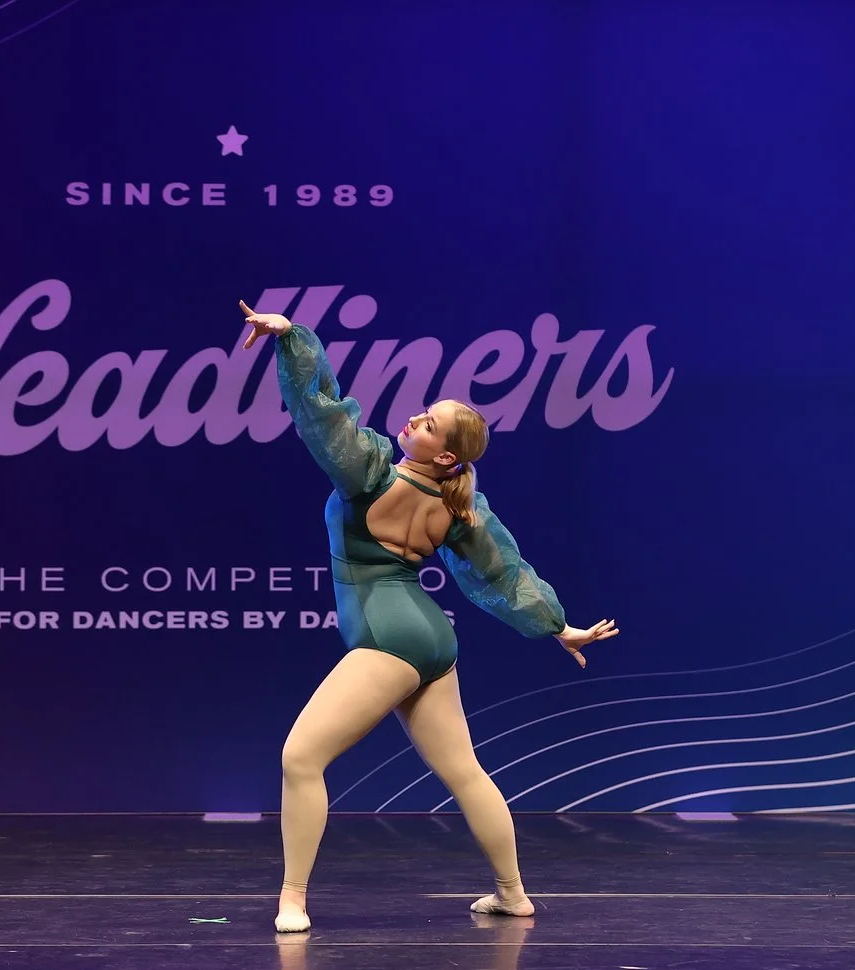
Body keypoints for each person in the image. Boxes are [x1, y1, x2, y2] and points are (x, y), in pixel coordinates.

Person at [239, 301, 619, 933]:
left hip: (390, 635)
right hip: (431, 637)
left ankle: (293, 900)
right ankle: (513, 893)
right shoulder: (459, 505)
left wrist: (292, 339)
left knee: (300, 759)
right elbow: (505, 575)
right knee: (464, 771)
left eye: (429, 424)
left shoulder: (368, 473)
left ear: (444, 456)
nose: (414, 417)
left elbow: (321, 412)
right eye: (424, 413)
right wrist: (557, 627)